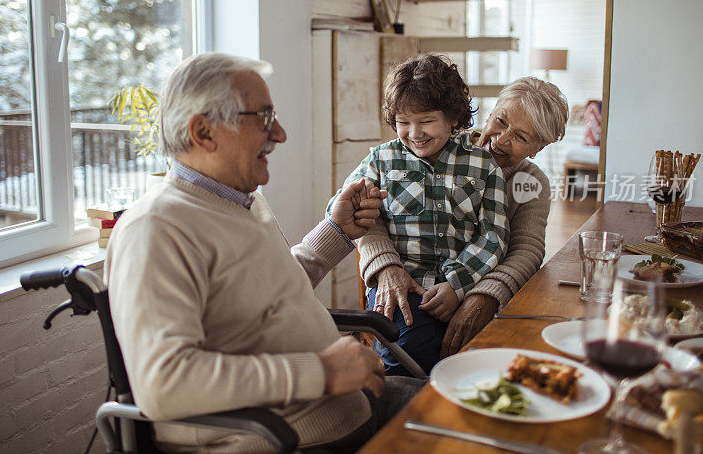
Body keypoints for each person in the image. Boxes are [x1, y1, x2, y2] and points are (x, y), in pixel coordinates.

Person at [105, 52, 424, 453]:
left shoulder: (241, 200)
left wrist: (337, 232)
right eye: (263, 118)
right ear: (204, 132)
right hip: (292, 439)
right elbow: (164, 384)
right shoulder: (155, 228)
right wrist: (321, 372)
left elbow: (267, 293)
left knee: (486, 411)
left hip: (351, 410)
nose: (280, 134)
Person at [359, 75, 569, 362]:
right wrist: (386, 266)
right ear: (492, 110)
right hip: (412, 285)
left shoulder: (530, 182)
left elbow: (526, 251)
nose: (501, 139)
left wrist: (479, 295)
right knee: (412, 352)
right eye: (502, 121)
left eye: (521, 137)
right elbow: (365, 212)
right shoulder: (434, 144)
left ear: (539, 148)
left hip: (472, 284)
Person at [328, 54, 510, 376]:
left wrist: (457, 285)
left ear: (453, 117)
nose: (414, 133)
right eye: (403, 121)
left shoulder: (483, 165)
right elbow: (340, 210)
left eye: (426, 121)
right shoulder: (381, 160)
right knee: (406, 356)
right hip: (404, 291)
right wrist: (385, 263)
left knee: (483, 361)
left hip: (464, 286)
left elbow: (494, 235)